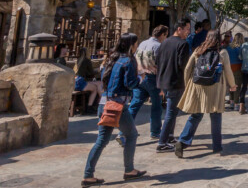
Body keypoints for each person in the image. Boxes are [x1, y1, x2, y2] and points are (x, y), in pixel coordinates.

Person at [82, 33, 146, 186]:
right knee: (131, 135)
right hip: (118, 105)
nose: (136, 46)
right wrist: (140, 78)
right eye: (136, 43)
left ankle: (88, 175)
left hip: (104, 103)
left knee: (102, 140)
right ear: (131, 45)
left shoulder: (111, 59)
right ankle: (129, 170)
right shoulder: (129, 61)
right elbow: (130, 83)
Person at [174, 30, 237, 158]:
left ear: (207, 38)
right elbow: (228, 71)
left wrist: (188, 85)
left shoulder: (198, 50)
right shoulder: (222, 53)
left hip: (198, 87)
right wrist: (233, 85)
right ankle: (217, 146)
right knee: (216, 116)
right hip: (215, 88)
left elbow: (187, 69)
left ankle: (182, 142)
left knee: (196, 115)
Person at [117, 25, 169, 146]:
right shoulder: (159, 46)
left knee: (134, 105)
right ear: (162, 35)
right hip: (152, 77)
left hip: (140, 77)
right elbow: (161, 65)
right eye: (166, 35)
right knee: (156, 106)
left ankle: (122, 132)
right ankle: (155, 131)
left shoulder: (142, 43)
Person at [155, 19, 191, 153]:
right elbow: (183, 65)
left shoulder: (164, 42)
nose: (188, 32)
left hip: (163, 80)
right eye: (187, 29)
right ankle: (162, 142)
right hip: (175, 81)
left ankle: (169, 136)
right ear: (179, 29)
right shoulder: (183, 44)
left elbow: (157, 60)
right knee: (171, 112)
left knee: (173, 111)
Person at [226, 33, 244, 110]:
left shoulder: (228, 47)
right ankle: (236, 104)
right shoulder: (241, 47)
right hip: (238, 67)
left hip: (229, 68)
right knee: (237, 86)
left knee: (231, 85)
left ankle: (231, 102)